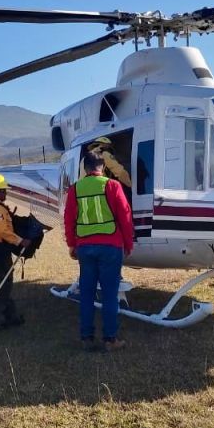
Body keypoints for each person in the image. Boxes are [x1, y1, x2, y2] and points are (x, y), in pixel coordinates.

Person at [64, 151, 134, 352]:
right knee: (110, 295)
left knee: (86, 293)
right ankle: (110, 339)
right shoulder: (112, 185)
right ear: (102, 167)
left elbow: (69, 220)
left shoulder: (75, 189)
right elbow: (125, 217)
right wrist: (128, 244)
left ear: (85, 169)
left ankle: (86, 337)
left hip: (85, 247)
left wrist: (72, 244)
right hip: (111, 246)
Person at [0, 173, 29, 329]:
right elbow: (2, 231)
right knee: (3, 286)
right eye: (3, 190)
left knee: (4, 283)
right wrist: (20, 241)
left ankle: (12, 317)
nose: (5, 193)